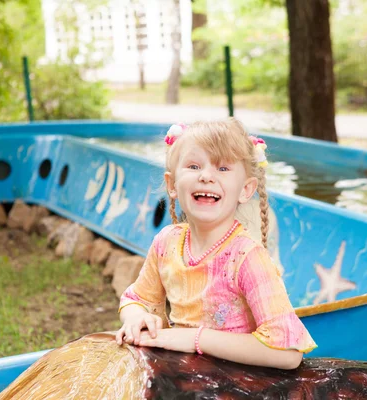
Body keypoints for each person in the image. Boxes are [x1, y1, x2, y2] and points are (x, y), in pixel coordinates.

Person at [116, 118, 316, 370]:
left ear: (245, 190)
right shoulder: (167, 242)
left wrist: (196, 339)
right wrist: (137, 317)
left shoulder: (246, 257)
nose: (206, 176)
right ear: (172, 185)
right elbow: (136, 298)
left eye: (222, 168)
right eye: (194, 165)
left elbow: (288, 352)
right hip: (183, 378)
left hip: (238, 381)